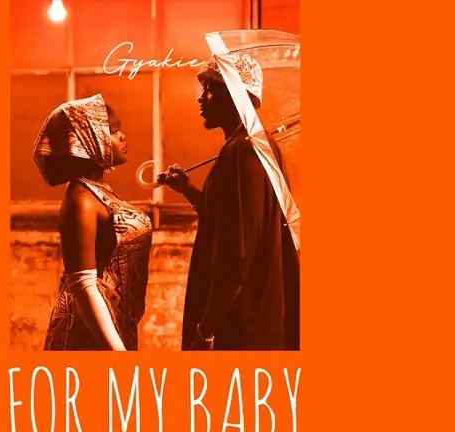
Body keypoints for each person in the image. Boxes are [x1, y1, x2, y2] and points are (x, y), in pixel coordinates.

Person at [158, 52, 300, 351]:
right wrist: (188, 190)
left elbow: (238, 253)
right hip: (246, 310)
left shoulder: (245, 152)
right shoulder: (245, 146)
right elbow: (226, 220)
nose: (201, 98)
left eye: (210, 89)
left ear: (235, 95)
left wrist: (206, 329)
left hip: (243, 319)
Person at [33, 93, 152, 351]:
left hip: (116, 327)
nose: (122, 137)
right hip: (88, 336)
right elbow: (82, 284)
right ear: (89, 140)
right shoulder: (81, 198)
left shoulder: (99, 190)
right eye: (113, 131)